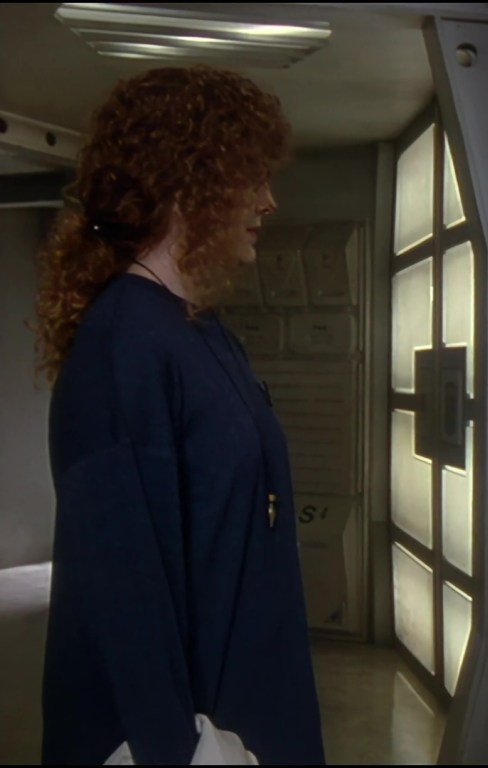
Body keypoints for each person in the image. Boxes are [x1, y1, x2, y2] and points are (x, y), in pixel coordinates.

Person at [35, 66, 325, 765]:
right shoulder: (124, 344)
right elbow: (120, 591)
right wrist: (183, 751)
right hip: (192, 739)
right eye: (250, 177)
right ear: (186, 182)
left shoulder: (198, 328)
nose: (268, 200)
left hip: (249, 708)